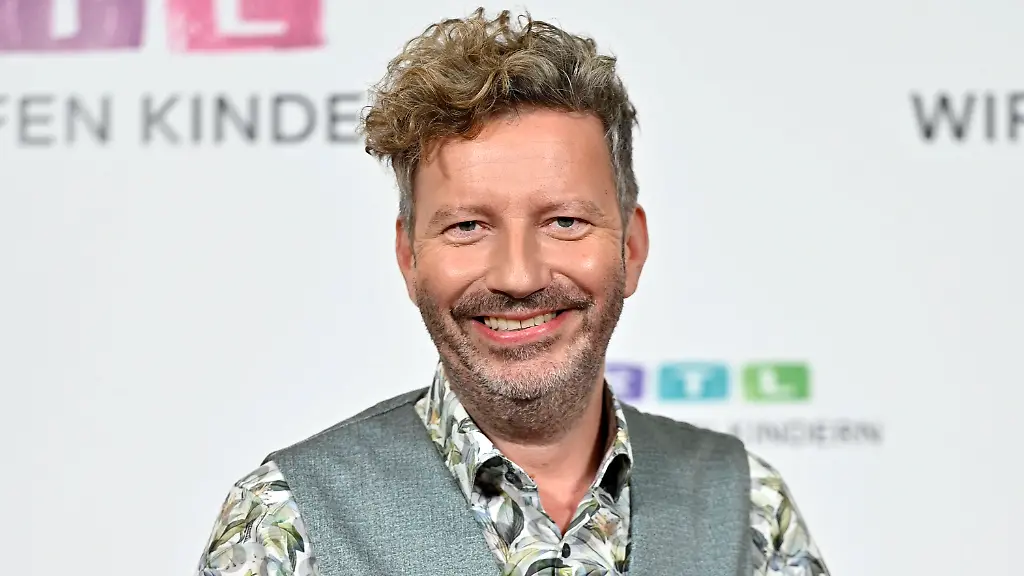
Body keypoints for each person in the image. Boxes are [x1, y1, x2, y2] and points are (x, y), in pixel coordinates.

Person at [194, 8, 829, 576]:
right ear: (409, 257)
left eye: (564, 222)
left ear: (631, 249)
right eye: (468, 227)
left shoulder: (748, 507)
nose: (519, 277)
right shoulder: (288, 523)